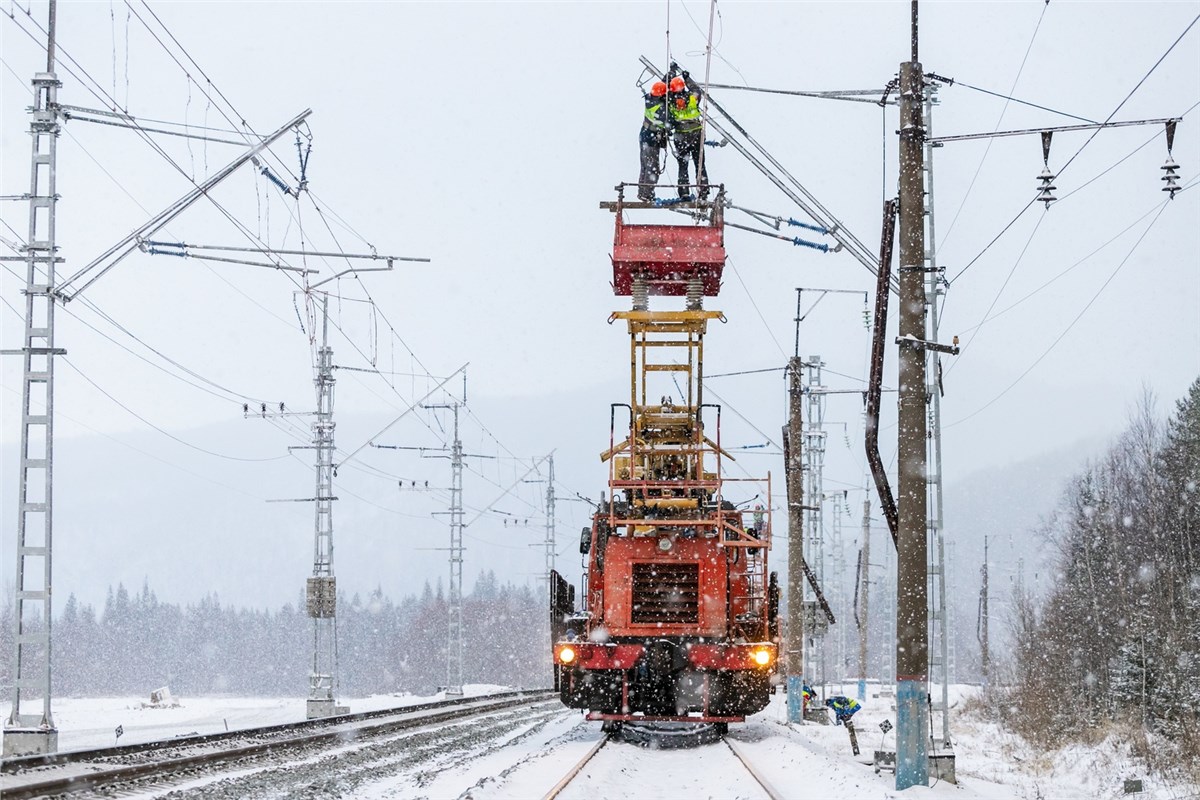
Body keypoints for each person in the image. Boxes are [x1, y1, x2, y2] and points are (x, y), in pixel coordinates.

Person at [667, 72, 709, 200]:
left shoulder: (670, 102)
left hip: (681, 137)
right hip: (696, 134)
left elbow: (660, 92)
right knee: (699, 163)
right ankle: (703, 190)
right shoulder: (692, 98)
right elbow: (696, 89)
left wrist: (669, 76)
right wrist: (686, 78)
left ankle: (684, 191)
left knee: (683, 165)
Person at [638, 80, 669, 202]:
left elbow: (661, 87)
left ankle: (642, 192)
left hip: (644, 136)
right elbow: (667, 122)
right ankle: (647, 193)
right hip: (651, 139)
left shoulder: (649, 99)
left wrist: (669, 76)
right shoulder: (661, 108)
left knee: (645, 167)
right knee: (653, 168)